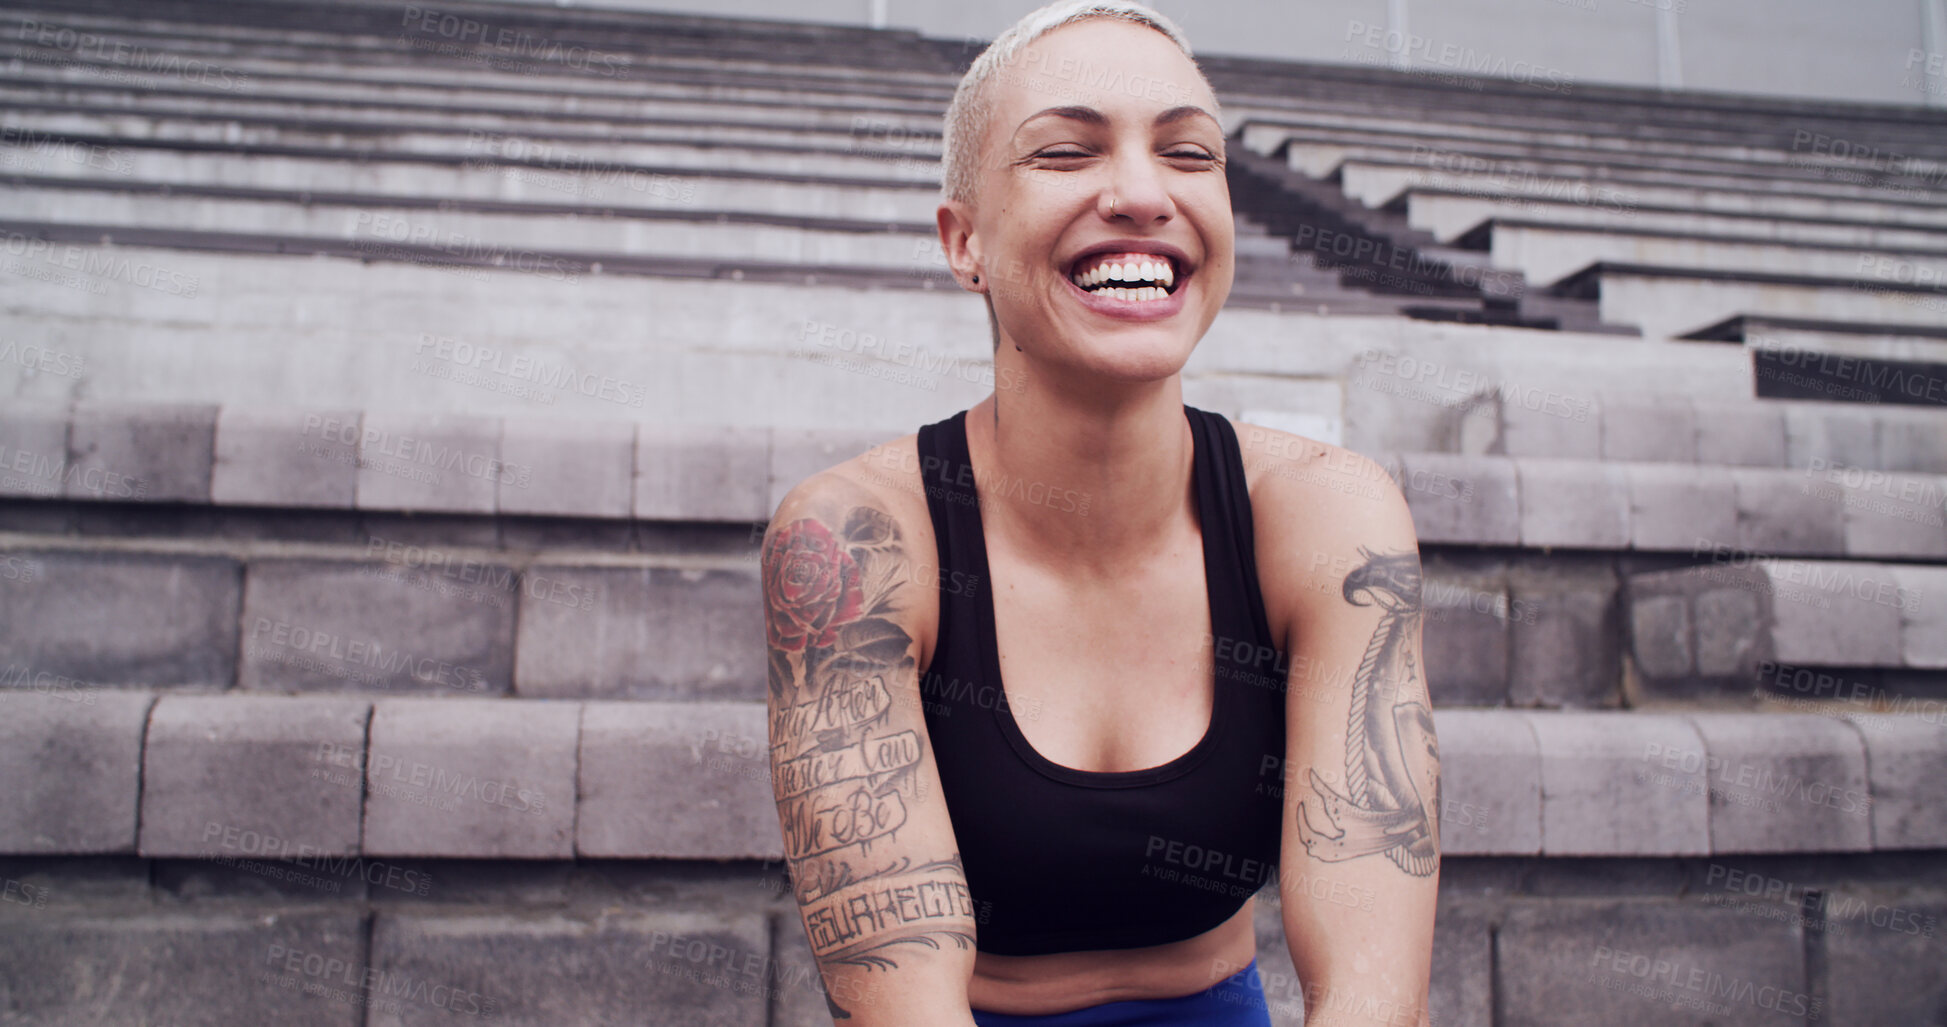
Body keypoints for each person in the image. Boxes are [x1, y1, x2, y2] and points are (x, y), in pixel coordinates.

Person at [760, 3, 1440, 1024]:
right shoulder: (854, 541)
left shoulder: (1329, 516)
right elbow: (907, 1008)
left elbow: (1371, 994)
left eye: (1188, 152)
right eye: (1068, 151)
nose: (1140, 192)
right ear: (965, 240)